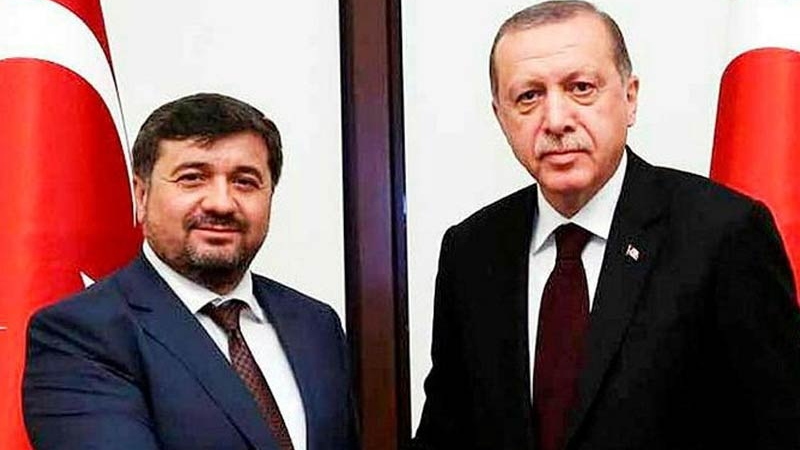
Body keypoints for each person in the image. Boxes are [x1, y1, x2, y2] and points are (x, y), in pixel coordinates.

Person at [412, 2, 800, 449]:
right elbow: (447, 433)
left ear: (629, 98)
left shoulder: (723, 234)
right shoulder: (472, 251)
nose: (556, 120)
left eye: (580, 88)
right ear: (500, 116)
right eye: (529, 97)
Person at [23, 93, 357, 450]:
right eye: (193, 178)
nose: (221, 203)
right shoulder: (81, 334)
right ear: (141, 195)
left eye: (245, 181)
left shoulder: (315, 325)